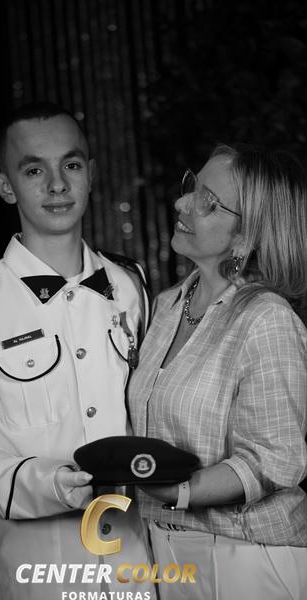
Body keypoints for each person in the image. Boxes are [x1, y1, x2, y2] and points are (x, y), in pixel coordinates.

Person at [0, 102, 155, 600]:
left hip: (134, 560)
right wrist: (42, 484)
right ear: (5, 186)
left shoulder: (130, 286)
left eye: (71, 165)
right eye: (33, 170)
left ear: (91, 173)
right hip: (33, 570)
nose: (57, 185)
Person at [128, 143, 307, 600]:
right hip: (164, 551)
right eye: (192, 187)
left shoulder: (266, 318)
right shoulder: (166, 306)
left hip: (247, 558)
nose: (181, 203)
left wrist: (181, 490)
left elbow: (277, 459)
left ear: (245, 239)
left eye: (207, 201)